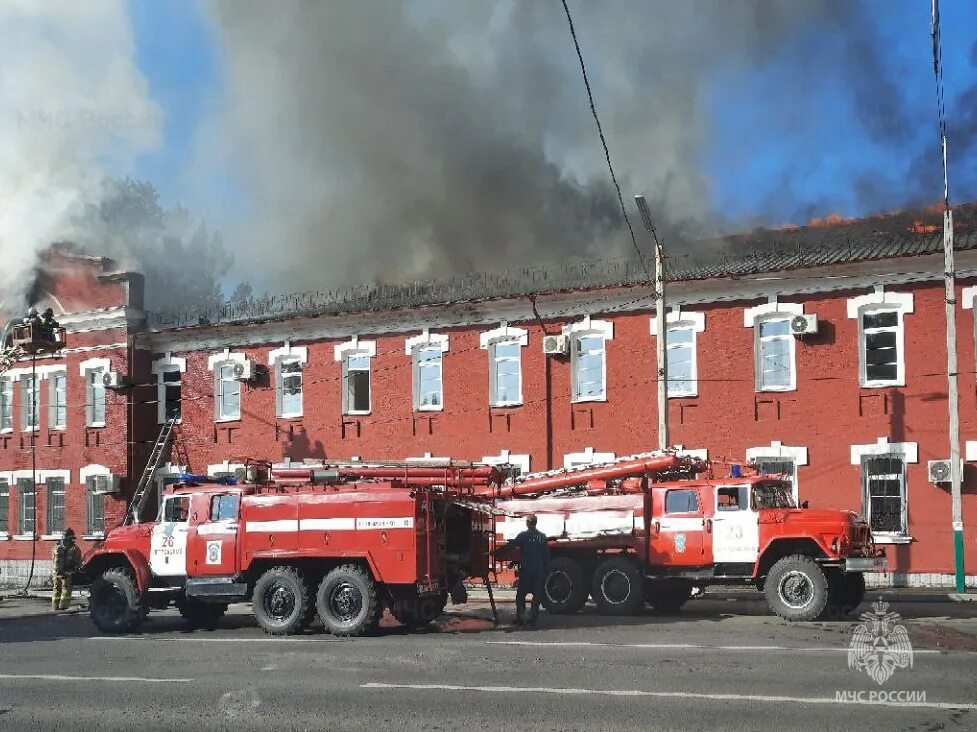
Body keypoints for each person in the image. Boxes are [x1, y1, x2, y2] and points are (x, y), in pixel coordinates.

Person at [501, 514, 550, 627]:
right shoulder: (542, 537)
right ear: (535, 523)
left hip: (526, 570)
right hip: (538, 571)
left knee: (521, 594)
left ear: (528, 523)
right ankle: (533, 617)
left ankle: (520, 617)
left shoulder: (523, 536)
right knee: (537, 594)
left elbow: (511, 546)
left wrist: (496, 553)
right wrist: (545, 570)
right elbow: (547, 556)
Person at [51, 528, 82, 611]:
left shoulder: (56, 546)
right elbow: (78, 561)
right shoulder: (74, 549)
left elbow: (53, 558)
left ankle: (54, 607)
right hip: (67, 573)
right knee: (66, 590)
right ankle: (63, 607)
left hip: (56, 572)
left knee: (56, 589)